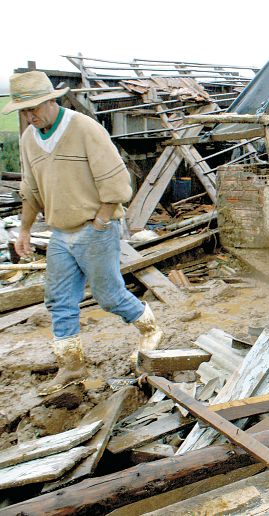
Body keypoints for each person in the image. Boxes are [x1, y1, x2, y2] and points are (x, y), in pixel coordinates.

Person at [3, 71, 163, 396]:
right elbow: (30, 190)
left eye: (35, 108)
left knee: (108, 296)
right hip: (61, 232)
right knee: (59, 301)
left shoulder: (84, 128)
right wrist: (24, 231)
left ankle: (151, 330)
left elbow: (118, 185)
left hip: (95, 227)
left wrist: (102, 222)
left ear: (52, 100)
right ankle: (72, 367)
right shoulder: (29, 139)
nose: (30, 116)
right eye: (24, 111)